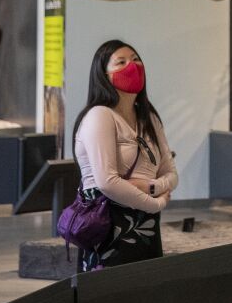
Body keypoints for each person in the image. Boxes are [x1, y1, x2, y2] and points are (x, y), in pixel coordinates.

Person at [72, 39, 178, 271]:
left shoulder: (148, 116)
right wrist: (156, 202)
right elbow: (107, 182)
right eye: (121, 62)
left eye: (136, 59)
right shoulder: (100, 116)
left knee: (146, 291)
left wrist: (149, 187)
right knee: (109, 297)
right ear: (103, 75)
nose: (132, 65)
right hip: (106, 224)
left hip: (146, 225)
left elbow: (171, 173)